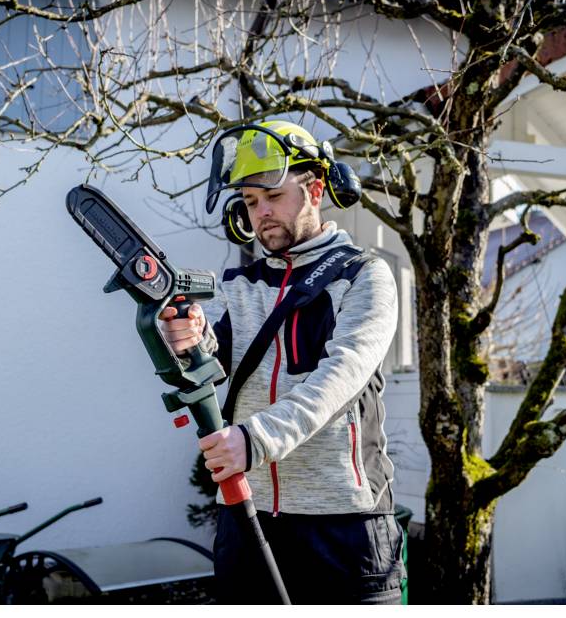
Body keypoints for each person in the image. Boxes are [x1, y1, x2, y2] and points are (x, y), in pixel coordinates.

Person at [159, 121, 403, 604]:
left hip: (343, 522)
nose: (262, 213)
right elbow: (211, 360)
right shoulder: (239, 286)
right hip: (247, 516)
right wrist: (186, 337)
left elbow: (338, 380)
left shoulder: (364, 276)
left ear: (315, 190)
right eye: (250, 202)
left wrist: (254, 440)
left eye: (273, 196)